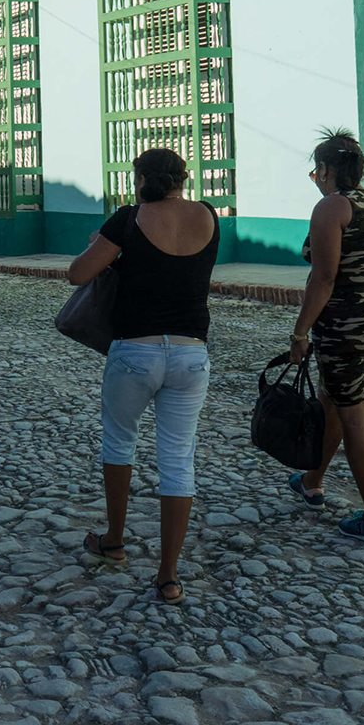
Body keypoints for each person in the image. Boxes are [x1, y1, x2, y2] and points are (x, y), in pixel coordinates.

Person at [67, 148, 218, 607]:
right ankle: (168, 577)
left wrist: (103, 246)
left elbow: (77, 275)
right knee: (178, 462)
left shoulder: (128, 219)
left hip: (135, 351)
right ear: (182, 178)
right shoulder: (209, 216)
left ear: (140, 180)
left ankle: (114, 542)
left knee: (119, 443)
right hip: (191, 355)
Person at [286, 129, 364, 544]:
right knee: (334, 400)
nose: (316, 179)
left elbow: (323, 278)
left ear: (326, 170)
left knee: (356, 418)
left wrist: (299, 332)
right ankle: (312, 481)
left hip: (346, 331)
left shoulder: (331, 208)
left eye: (315, 172)